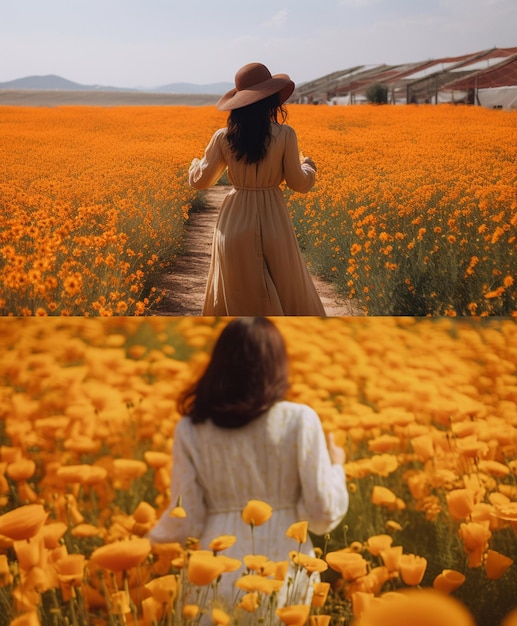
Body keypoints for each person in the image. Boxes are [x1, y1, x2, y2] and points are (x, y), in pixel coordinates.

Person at [149, 317, 349, 613]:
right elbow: (321, 512)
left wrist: (145, 542)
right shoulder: (299, 420)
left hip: (214, 570)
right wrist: (336, 468)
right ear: (275, 363)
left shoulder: (191, 428)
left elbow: (187, 518)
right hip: (286, 569)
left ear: (219, 363)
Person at [188, 62, 326, 316]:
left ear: (238, 103)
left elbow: (200, 181)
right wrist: (309, 167)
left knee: (237, 292)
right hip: (274, 219)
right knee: (286, 287)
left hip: (234, 221)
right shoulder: (285, 135)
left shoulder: (223, 136)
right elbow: (299, 183)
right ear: (271, 101)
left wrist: (195, 165)